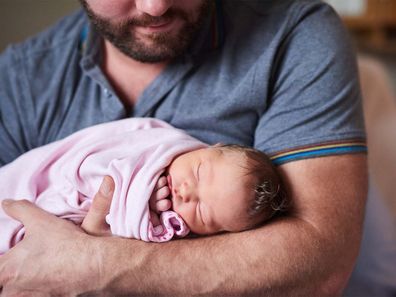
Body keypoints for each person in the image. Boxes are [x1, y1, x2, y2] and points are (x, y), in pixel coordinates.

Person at [0, 0, 368, 295]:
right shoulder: (21, 78)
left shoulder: (292, 36)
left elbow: (319, 263)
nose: (154, 6)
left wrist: (94, 265)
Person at [0, 117, 286, 252]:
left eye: (203, 213)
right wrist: (138, 193)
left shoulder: (176, 231)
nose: (186, 192)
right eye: (199, 173)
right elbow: (103, 163)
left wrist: (145, 215)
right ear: (212, 147)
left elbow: (133, 240)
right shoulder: (163, 143)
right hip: (41, 183)